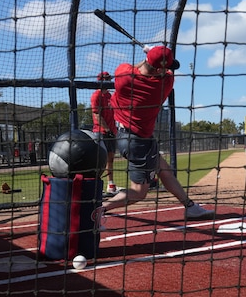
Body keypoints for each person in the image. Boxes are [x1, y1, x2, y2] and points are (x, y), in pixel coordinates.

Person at [92, 46, 214, 228]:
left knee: (164, 170)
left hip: (126, 136)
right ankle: (99, 210)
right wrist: (150, 55)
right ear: (159, 70)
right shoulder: (163, 84)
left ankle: (190, 206)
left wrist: (148, 57)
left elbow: (134, 68)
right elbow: (169, 71)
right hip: (138, 142)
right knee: (139, 192)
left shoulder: (123, 77)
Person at [91, 71, 118, 196]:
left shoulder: (110, 96)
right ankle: (96, 186)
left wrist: (113, 130)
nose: (109, 81)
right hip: (100, 132)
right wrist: (107, 129)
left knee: (110, 159)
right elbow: (97, 115)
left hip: (112, 132)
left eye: (109, 79)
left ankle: (111, 185)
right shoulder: (96, 95)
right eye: (106, 79)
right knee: (100, 160)